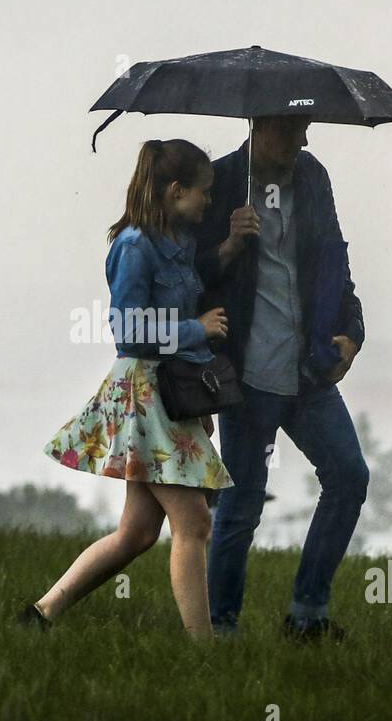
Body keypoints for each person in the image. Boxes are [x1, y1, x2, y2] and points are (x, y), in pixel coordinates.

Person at [21, 138, 238, 639]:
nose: (209, 200)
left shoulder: (179, 241)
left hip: (170, 395)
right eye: (203, 192)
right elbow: (129, 331)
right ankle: (204, 653)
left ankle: (40, 616)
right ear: (175, 190)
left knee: (138, 533)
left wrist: (230, 246)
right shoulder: (134, 246)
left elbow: (183, 295)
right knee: (195, 524)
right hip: (146, 395)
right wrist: (196, 330)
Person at [191, 114, 369, 642]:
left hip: (309, 371)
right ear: (259, 126)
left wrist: (352, 333)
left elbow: (336, 264)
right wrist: (227, 245)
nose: (303, 140)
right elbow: (185, 278)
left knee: (349, 477)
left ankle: (306, 615)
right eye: (292, 129)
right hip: (246, 375)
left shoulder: (313, 178)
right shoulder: (220, 182)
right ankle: (221, 629)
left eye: (306, 128)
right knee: (242, 504)